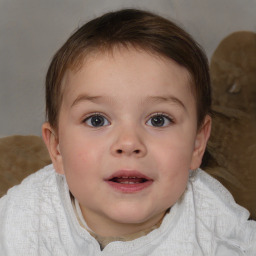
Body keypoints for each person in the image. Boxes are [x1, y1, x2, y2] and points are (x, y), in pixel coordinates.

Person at [0, 9, 255, 255]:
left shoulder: (214, 225)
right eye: (97, 120)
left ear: (197, 144)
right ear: (57, 148)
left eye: (158, 120)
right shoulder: (26, 215)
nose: (129, 143)